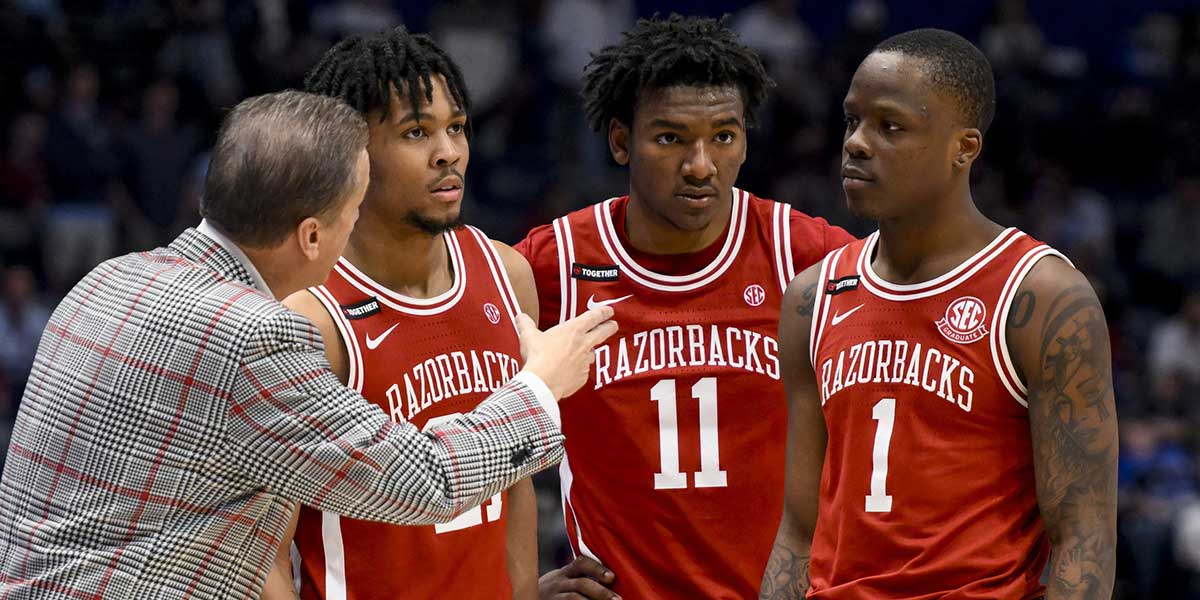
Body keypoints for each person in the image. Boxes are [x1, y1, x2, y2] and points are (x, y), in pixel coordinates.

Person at [0, 90, 617, 599]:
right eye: (355, 209)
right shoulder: (251, 335)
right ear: (314, 234)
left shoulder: (110, 279)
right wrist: (540, 385)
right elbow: (422, 483)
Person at [760, 29, 1117, 599]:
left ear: (964, 148)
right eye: (852, 121)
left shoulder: (1042, 295)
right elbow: (798, 535)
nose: (856, 143)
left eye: (890, 126)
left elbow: (1084, 539)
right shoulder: (811, 297)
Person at [518, 15, 854, 599]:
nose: (701, 166)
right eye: (671, 138)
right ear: (621, 141)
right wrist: (516, 588)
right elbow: (462, 420)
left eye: (724, 136)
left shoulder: (803, 255)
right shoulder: (555, 262)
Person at [262, 27, 542, 600]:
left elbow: (517, 489)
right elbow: (265, 559)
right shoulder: (309, 317)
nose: (449, 152)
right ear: (349, 153)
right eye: (417, 131)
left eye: (457, 127)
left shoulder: (509, 277)